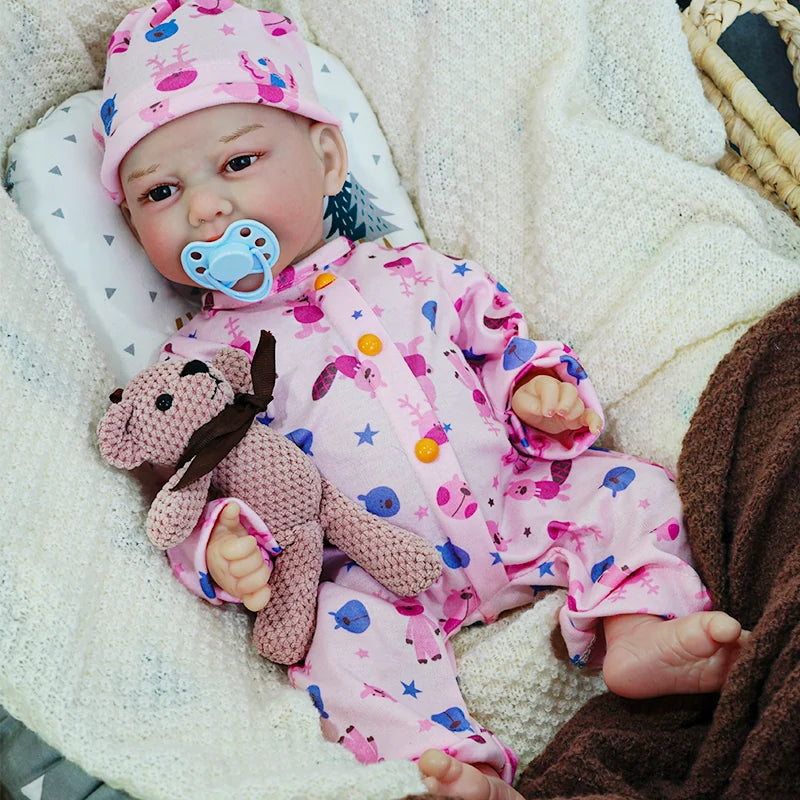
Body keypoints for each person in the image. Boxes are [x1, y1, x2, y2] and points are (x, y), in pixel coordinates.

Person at [96, 2, 747, 794]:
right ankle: (456, 773)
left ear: (329, 159)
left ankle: (638, 626)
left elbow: (499, 342)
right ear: (133, 230)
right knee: (337, 647)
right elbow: (193, 480)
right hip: (373, 574)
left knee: (634, 489)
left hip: (511, 501)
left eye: (238, 164)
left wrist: (537, 391)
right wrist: (224, 548)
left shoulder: (411, 269)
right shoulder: (195, 362)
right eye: (161, 192)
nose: (206, 208)